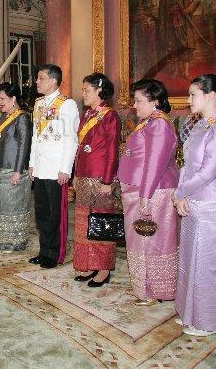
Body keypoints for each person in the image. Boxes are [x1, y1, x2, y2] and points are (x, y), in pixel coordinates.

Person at [173, 74, 216, 337]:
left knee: (209, 264)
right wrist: (184, 195)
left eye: (192, 95)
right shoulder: (201, 125)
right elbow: (188, 166)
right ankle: (191, 312)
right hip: (194, 200)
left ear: (210, 96)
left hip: (213, 203)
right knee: (192, 259)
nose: (188, 101)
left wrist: (179, 193)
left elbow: (208, 172)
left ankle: (210, 321)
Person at [118, 78, 179, 306]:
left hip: (152, 192)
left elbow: (155, 163)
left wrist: (145, 194)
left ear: (155, 101)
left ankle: (152, 290)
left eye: (139, 100)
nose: (135, 105)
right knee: (139, 240)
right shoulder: (149, 122)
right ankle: (143, 287)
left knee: (149, 240)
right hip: (139, 191)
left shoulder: (159, 124)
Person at [72, 73, 121, 288]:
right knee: (85, 224)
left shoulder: (110, 116)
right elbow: (80, 150)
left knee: (101, 224)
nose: (83, 94)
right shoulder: (87, 115)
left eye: (86, 90)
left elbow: (112, 151)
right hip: (84, 177)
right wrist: (76, 174)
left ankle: (103, 268)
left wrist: (108, 181)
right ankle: (90, 264)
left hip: (101, 178)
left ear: (99, 91)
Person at [28, 64, 79, 269]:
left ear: (53, 81)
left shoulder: (67, 104)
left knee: (55, 214)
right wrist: (32, 163)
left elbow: (71, 139)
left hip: (56, 168)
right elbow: (36, 137)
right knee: (41, 213)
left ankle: (55, 254)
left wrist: (65, 168)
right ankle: (44, 250)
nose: (37, 82)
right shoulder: (38, 103)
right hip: (40, 167)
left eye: (41, 78)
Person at [0, 83, 33, 250]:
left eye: (3, 99)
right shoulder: (4, 117)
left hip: (15, 171)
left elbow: (24, 146)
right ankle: (1, 239)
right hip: (1, 168)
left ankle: (15, 241)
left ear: (13, 99)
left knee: (14, 206)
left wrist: (18, 171)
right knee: (1, 205)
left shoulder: (22, 118)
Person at [158, 0, 202, 79]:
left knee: (187, 46)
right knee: (173, 46)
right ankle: (176, 70)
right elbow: (161, 8)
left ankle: (186, 72)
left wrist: (188, 9)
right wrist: (162, 24)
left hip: (185, 22)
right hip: (171, 22)